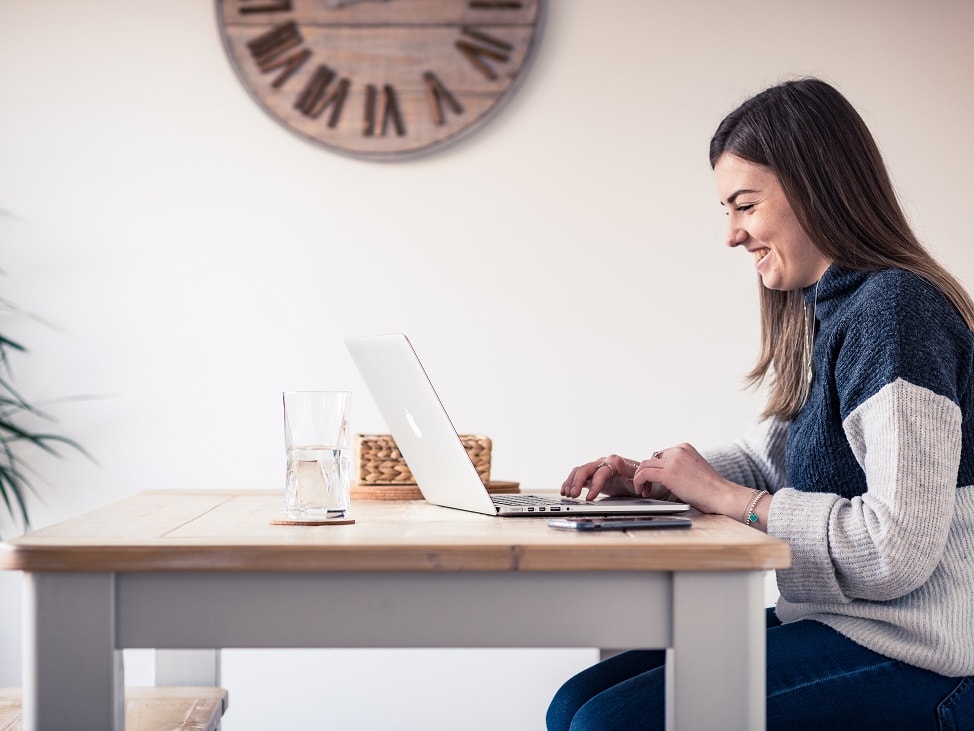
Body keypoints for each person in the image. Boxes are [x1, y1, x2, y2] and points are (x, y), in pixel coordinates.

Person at [546, 77, 974, 731]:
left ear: (815, 185)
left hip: (925, 656)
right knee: (575, 705)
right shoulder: (831, 309)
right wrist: (656, 477)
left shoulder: (898, 312)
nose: (731, 234)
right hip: (845, 623)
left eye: (744, 205)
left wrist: (727, 498)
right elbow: (771, 460)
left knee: (605, 723)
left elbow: (897, 547)